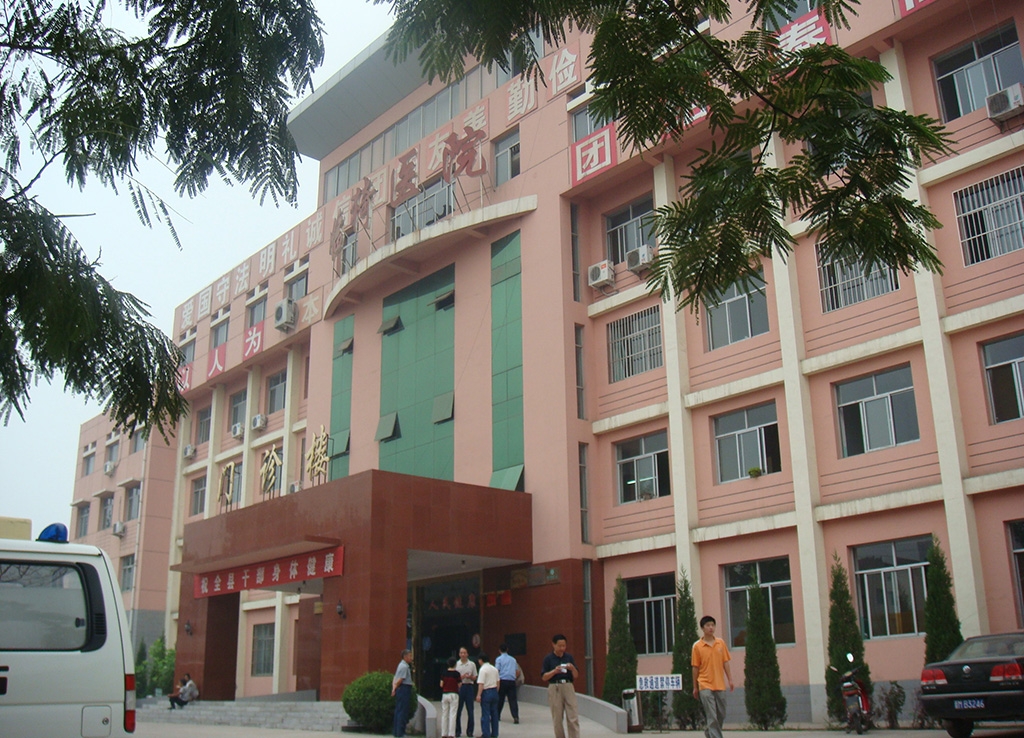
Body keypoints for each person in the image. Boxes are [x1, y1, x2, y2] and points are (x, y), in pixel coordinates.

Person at [691, 615, 734, 738]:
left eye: (712, 625)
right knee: (711, 715)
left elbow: (725, 662)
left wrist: (730, 679)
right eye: (708, 625)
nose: (711, 628)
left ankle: (709, 732)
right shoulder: (697, 646)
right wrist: (695, 687)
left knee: (721, 713)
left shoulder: (720, 643)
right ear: (702, 628)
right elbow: (695, 667)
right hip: (704, 684)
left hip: (719, 684)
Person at [541, 634, 580, 738]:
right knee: (557, 717)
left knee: (573, 715)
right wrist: (554, 671)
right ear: (553, 645)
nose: (562, 648)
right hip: (555, 686)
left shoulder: (569, 657)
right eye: (559, 646)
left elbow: (576, 675)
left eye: (564, 646)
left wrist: (572, 668)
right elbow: (544, 677)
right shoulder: (548, 659)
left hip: (568, 685)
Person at [494, 643, 521, 724]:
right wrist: (514, 677)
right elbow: (517, 671)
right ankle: (515, 716)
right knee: (513, 700)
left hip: (502, 680)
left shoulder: (499, 659)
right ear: (507, 649)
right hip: (511, 681)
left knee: (500, 699)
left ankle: (497, 715)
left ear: (499, 650)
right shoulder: (513, 659)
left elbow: (497, 670)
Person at [475, 652, 500, 738]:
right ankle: (495, 733)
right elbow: (498, 682)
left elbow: (481, 684)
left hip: (486, 692)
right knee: (494, 714)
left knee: (485, 714)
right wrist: (496, 691)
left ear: (481, 660)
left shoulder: (482, 670)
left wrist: (478, 695)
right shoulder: (494, 669)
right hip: (494, 691)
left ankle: (486, 734)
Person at [455, 646, 478, 738]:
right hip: (460, 687)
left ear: (467, 654)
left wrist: (470, 677)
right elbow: (455, 678)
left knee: (470, 710)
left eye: (464, 653)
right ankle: (457, 730)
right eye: (461, 653)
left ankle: (470, 731)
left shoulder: (472, 664)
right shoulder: (457, 664)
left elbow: (475, 677)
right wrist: (462, 677)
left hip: (469, 687)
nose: (463, 655)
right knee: (458, 710)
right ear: (459, 654)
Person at [391, 649, 415, 738]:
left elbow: (395, 678)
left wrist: (394, 688)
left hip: (401, 689)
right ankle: (400, 733)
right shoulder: (404, 666)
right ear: (405, 657)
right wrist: (395, 688)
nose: (411, 658)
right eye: (410, 656)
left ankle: (396, 732)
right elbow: (401, 679)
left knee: (398, 710)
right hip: (404, 689)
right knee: (402, 711)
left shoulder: (400, 665)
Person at [440, 657, 461, 738]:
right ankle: (451, 734)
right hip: (454, 694)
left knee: (444, 714)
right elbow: (459, 684)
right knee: (453, 714)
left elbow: (441, 684)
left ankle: (444, 733)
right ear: (455, 664)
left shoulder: (444, 673)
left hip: (445, 694)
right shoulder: (457, 674)